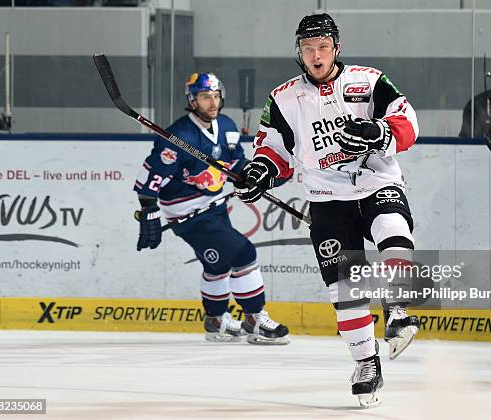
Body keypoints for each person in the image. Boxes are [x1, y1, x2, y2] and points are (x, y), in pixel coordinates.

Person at [233, 13, 420, 408]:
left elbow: (407, 121)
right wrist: (261, 172)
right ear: (298, 52)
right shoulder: (283, 98)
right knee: (346, 292)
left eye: (322, 46)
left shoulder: (369, 81)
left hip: (376, 181)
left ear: (336, 47)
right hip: (326, 197)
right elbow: (274, 150)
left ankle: (397, 305)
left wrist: (381, 132)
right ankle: (367, 363)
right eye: (307, 48)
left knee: (392, 228)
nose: (315, 55)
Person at [133, 72, 289, 345]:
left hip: (214, 207)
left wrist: (257, 175)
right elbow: (152, 177)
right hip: (187, 213)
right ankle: (254, 319)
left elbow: (235, 164)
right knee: (244, 252)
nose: (212, 102)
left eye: (215, 96)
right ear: (192, 101)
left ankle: (216, 320)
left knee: (217, 264)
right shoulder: (178, 136)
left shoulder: (227, 126)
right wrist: (148, 211)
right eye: (205, 97)